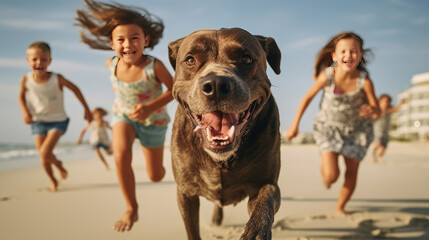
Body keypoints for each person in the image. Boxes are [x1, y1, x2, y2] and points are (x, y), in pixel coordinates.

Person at [76, 0, 173, 232]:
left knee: (156, 176)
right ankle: (131, 207)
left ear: (146, 41)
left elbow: (175, 91)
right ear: (111, 44)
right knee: (120, 155)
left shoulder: (154, 66)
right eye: (120, 39)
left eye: (134, 38)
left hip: (154, 121)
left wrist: (150, 107)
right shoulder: (111, 64)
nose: (128, 44)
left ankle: (159, 170)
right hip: (124, 116)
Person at [286, 32, 380, 215]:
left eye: (353, 51)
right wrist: (294, 125)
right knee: (331, 176)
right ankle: (327, 171)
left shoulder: (364, 81)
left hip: (356, 132)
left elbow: (376, 109)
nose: (348, 55)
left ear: (360, 55)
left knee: (351, 173)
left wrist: (372, 110)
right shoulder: (328, 76)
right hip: (328, 128)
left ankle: (340, 207)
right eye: (343, 51)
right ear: (335, 56)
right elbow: (307, 98)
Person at [18, 41, 92, 192]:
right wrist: (25, 112)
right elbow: (21, 96)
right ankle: (54, 179)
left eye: (44, 59)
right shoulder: (26, 80)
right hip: (38, 121)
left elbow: (75, 89)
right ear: (28, 61)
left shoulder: (57, 79)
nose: (39, 63)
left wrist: (87, 109)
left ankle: (58, 166)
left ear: (49, 61)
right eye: (35, 59)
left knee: (45, 152)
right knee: (44, 156)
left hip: (58, 121)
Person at [372, 94, 406, 163]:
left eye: (387, 102)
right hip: (378, 131)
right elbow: (373, 118)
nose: (385, 103)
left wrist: (401, 104)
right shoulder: (378, 111)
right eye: (383, 101)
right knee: (378, 143)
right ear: (379, 102)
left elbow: (395, 109)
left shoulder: (389, 111)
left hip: (386, 132)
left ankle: (380, 156)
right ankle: (373, 153)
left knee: (384, 147)